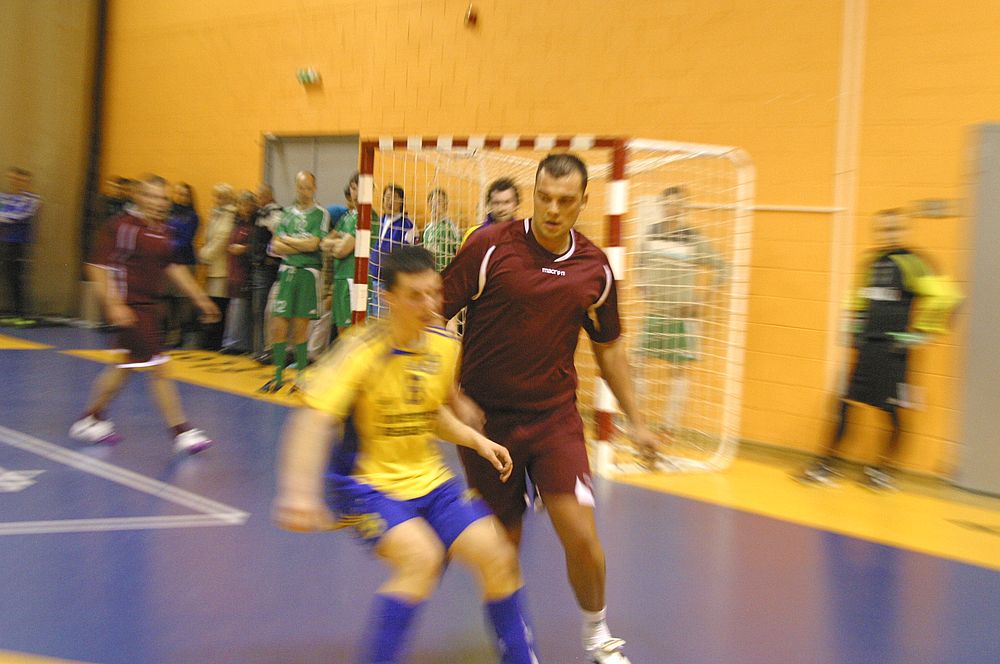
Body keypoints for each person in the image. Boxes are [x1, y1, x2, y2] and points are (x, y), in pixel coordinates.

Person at [272, 245, 538, 664]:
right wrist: (298, 493)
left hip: (429, 480)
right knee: (422, 559)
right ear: (389, 298)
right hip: (366, 486)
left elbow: (429, 412)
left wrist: (476, 440)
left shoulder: (444, 345)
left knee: (498, 555)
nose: (430, 305)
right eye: (416, 296)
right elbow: (311, 421)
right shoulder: (361, 350)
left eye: (435, 293)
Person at [442, 153, 658, 664]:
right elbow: (434, 317)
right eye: (544, 197)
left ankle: (597, 636)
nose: (553, 210)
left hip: (554, 419)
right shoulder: (489, 247)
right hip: (487, 422)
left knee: (581, 535)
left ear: (583, 202)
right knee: (504, 544)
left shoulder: (594, 268)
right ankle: (516, 646)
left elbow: (609, 350)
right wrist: (453, 397)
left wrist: (638, 422)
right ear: (533, 193)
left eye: (565, 201)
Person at [798, 208, 962, 491]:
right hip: (866, 349)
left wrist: (920, 333)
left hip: (892, 352)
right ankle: (827, 465)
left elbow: (948, 297)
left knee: (892, 412)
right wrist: (851, 330)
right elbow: (857, 301)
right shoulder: (871, 262)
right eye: (883, 229)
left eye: (894, 229)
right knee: (843, 403)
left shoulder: (914, 262)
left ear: (904, 231)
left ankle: (884, 471)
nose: (889, 234)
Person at [69, 174, 220, 454]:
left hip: (149, 307)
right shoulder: (122, 226)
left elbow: (172, 266)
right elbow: (97, 266)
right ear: (137, 196)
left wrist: (200, 298)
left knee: (123, 368)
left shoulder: (163, 230)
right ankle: (181, 432)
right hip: (130, 306)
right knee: (159, 367)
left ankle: (90, 419)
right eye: (150, 196)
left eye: (162, 197)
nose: (158, 202)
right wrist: (114, 304)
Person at [634, 185, 727, 445]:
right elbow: (639, 262)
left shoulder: (693, 238)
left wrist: (702, 298)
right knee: (637, 363)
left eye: (678, 203)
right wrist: (642, 284)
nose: (672, 207)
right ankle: (636, 422)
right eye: (668, 202)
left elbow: (723, 268)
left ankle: (669, 428)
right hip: (655, 312)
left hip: (681, 317)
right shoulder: (651, 233)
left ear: (684, 208)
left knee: (678, 371)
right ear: (662, 206)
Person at [259, 171, 329, 393]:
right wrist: (299, 243)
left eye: (308, 187)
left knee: (300, 328)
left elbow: (313, 245)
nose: (304, 191)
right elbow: (275, 245)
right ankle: (278, 376)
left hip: (307, 274)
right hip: (286, 273)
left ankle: (300, 378)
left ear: (314, 188)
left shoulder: (320, 214)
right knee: (278, 324)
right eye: (301, 187)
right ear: (296, 187)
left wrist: (288, 241)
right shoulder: (287, 213)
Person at [0, 167, 40, 326]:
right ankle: (14, 313)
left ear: (27, 182)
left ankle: (24, 314)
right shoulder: (6, 197)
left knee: (18, 279)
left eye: (20, 180)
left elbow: (18, 216)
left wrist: (4, 217)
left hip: (19, 244)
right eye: (13, 179)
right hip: (5, 241)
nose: (16, 182)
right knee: (8, 278)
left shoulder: (32, 199)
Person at [368, 184, 415, 318]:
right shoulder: (379, 221)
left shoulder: (407, 225)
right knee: (372, 321)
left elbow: (408, 257)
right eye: (387, 197)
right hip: (373, 280)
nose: (390, 202)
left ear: (401, 202)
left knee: (385, 322)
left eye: (394, 198)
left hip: (390, 284)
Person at [198, 183, 236, 350]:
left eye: (220, 196)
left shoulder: (230, 215)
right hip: (212, 268)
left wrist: (204, 255)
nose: (217, 199)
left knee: (219, 305)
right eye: (216, 196)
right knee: (212, 304)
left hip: (222, 269)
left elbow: (222, 238)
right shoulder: (215, 213)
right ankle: (210, 340)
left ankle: (215, 342)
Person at [164, 182, 201, 348]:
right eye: (178, 193)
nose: (181, 197)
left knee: (182, 300)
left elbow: (185, 240)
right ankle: (171, 330)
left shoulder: (192, 217)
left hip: (185, 261)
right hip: (168, 262)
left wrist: (164, 245)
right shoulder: (168, 212)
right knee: (168, 298)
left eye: (184, 194)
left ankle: (182, 333)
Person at [250, 183, 283, 362]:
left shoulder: (275, 214)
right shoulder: (261, 214)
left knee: (264, 310)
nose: (257, 199)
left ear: (268, 196)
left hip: (268, 268)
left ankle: (266, 350)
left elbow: (278, 240)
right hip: (260, 266)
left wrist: (266, 257)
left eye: (259, 196)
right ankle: (259, 349)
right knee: (259, 310)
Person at [222, 190, 256, 354]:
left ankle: (237, 344)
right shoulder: (237, 223)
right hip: (234, 270)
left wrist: (244, 249)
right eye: (241, 204)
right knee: (234, 307)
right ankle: (231, 342)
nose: (243, 208)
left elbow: (255, 246)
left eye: (246, 204)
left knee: (240, 308)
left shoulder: (253, 226)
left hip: (245, 271)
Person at [461, 177, 520, 246]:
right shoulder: (474, 234)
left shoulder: (525, 237)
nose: (501, 209)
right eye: (496, 203)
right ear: (489, 205)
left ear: (516, 204)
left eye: (507, 202)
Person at [421, 188, 461, 272]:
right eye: (432, 202)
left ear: (445, 205)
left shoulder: (451, 227)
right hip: (430, 272)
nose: (434, 206)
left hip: (446, 272)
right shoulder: (427, 229)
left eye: (438, 202)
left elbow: (460, 250)